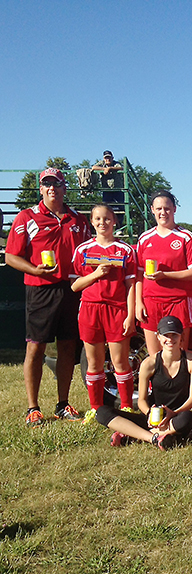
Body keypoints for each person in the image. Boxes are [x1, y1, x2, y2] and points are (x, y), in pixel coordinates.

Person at [5, 168, 91, 426]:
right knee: (36, 347)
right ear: (41, 189)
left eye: (57, 183)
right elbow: (11, 256)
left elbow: (89, 252)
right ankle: (33, 407)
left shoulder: (78, 220)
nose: (52, 188)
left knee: (67, 346)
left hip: (71, 289)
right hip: (40, 289)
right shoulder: (27, 216)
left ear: (65, 188)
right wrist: (34, 269)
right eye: (47, 184)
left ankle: (63, 404)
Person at [96, 316, 192, 449]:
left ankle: (133, 433)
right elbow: (142, 401)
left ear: (181, 336)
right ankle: (154, 437)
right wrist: (149, 414)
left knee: (188, 418)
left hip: (177, 416)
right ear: (158, 337)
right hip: (153, 418)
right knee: (101, 412)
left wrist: (173, 413)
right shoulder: (148, 363)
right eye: (165, 335)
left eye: (174, 335)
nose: (170, 339)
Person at [70, 204, 137, 411]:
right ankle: (96, 408)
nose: (102, 223)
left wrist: (130, 315)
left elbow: (131, 286)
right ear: (92, 221)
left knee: (120, 361)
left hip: (116, 310)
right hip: (90, 309)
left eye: (107, 219)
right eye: (98, 219)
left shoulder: (125, 250)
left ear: (114, 221)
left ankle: (126, 406)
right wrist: (95, 274)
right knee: (94, 363)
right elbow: (74, 286)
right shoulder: (83, 250)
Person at [135, 190, 192, 356]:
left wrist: (166, 275)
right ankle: (154, 383)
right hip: (151, 301)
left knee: (178, 354)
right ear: (152, 210)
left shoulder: (186, 236)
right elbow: (138, 275)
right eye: (158, 209)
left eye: (167, 208)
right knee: (155, 355)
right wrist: (139, 302)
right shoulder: (144, 238)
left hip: (179, 300)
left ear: (174, 209)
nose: (163, 212)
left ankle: (181, 382)